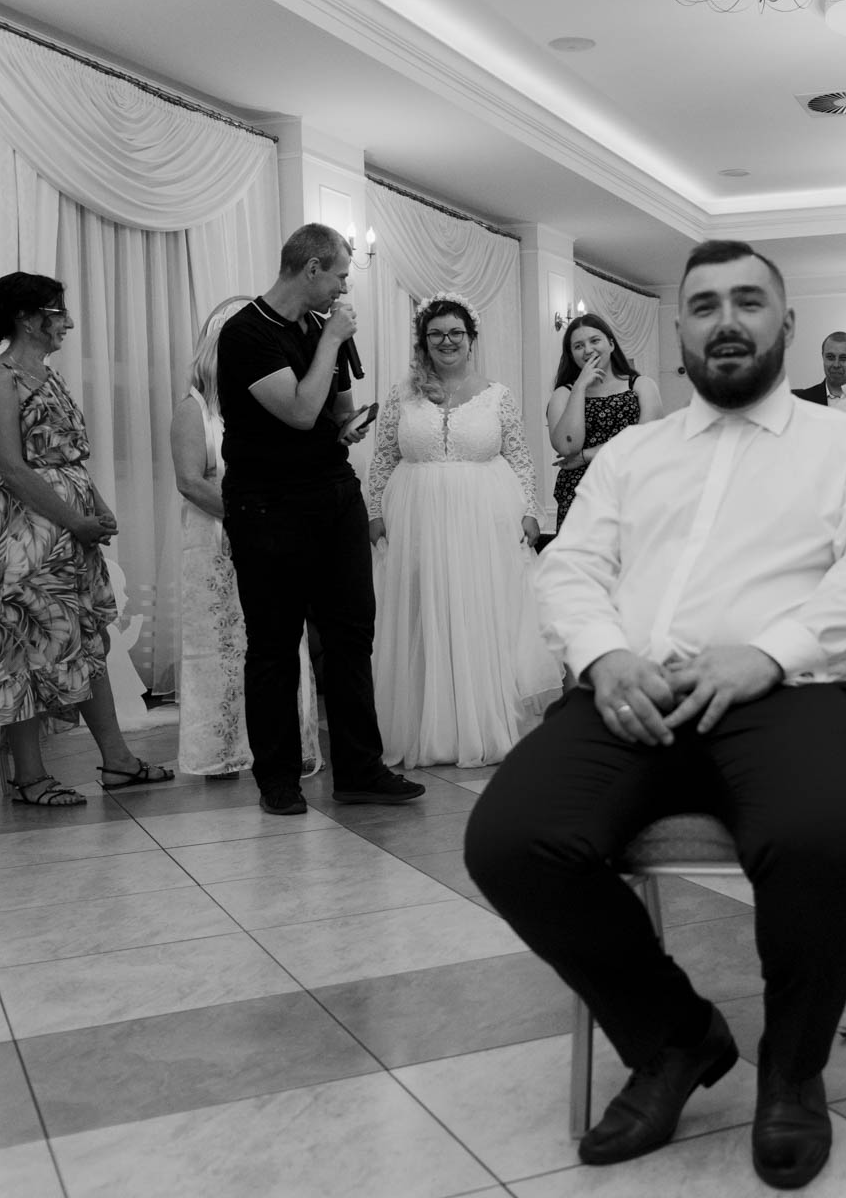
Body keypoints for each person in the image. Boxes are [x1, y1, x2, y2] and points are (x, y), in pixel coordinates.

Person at [464, 240, 846, 1190]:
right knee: (511, 841)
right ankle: (675, 1039)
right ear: (679, 331)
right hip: (634, 691)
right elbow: (571, 569)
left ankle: (791, 1069)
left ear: (785, 324)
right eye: (706, 305)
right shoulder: (633, 455)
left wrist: (771, 651)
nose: (727, 321)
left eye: (749, 301)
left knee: (819, 839)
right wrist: (604, 655)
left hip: (791, 695)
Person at [216, 223, 423, 815]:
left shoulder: (317, 327)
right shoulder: (247, 332)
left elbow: (331, 412)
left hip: (333, 493)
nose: (342, 288)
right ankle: (277, 779)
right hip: (268, 504)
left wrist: (350, 420)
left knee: (352, 634)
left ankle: (360, 769)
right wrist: (332, 339)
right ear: (310, 268)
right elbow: (300, 412)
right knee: (276, 643)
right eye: (338, 275)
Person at [0, 272, 172, 805]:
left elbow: (68, 459)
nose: (69, 324)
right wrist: (74, 520)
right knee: (24, 650)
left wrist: (95, 506)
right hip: (32, 538)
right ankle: (29, 777)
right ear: (26, 318)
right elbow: (13, 467)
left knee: (88, 645)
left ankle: (118, 762)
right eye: (58, 313)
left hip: (70, 536)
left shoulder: (49, 377)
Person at [368, 294, 557, 768]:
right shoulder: (401, 395)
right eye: (436, 334)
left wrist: (531, 512)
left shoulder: (497, 395)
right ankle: (428, 729)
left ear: (471, 339)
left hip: (484, 520)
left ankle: (483, 725)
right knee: (425, 612)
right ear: (424, 341)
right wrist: (374, 513)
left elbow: (520, 457)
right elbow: (383, 458)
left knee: (480, 612)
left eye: (456, 333)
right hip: (416, 519)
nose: (446, 341)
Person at [171, 297, 321, 779]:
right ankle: (221, 752)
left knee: (279, 642)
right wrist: (247, 514)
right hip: (217, 541)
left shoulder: (266, 402)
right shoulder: (193, 410)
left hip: (272, 538)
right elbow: (190, 481)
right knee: (220, 649)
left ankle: (288, 745)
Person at [546, 311, 662, 526]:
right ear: (571, 354)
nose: (588, 350)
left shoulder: (641, 385)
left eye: (595, 340)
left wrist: (586, 455)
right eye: (578, 346)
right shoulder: (564, 394)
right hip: (580, 493)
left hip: (632, 487)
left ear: (611, 344)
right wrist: (580, 387)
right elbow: (567, 446)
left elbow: (645, 443)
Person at [791, 330, 846, 407]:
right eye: (830, 357)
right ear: (823, 357)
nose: (836, 365)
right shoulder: (800, 401)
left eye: (843, 358)